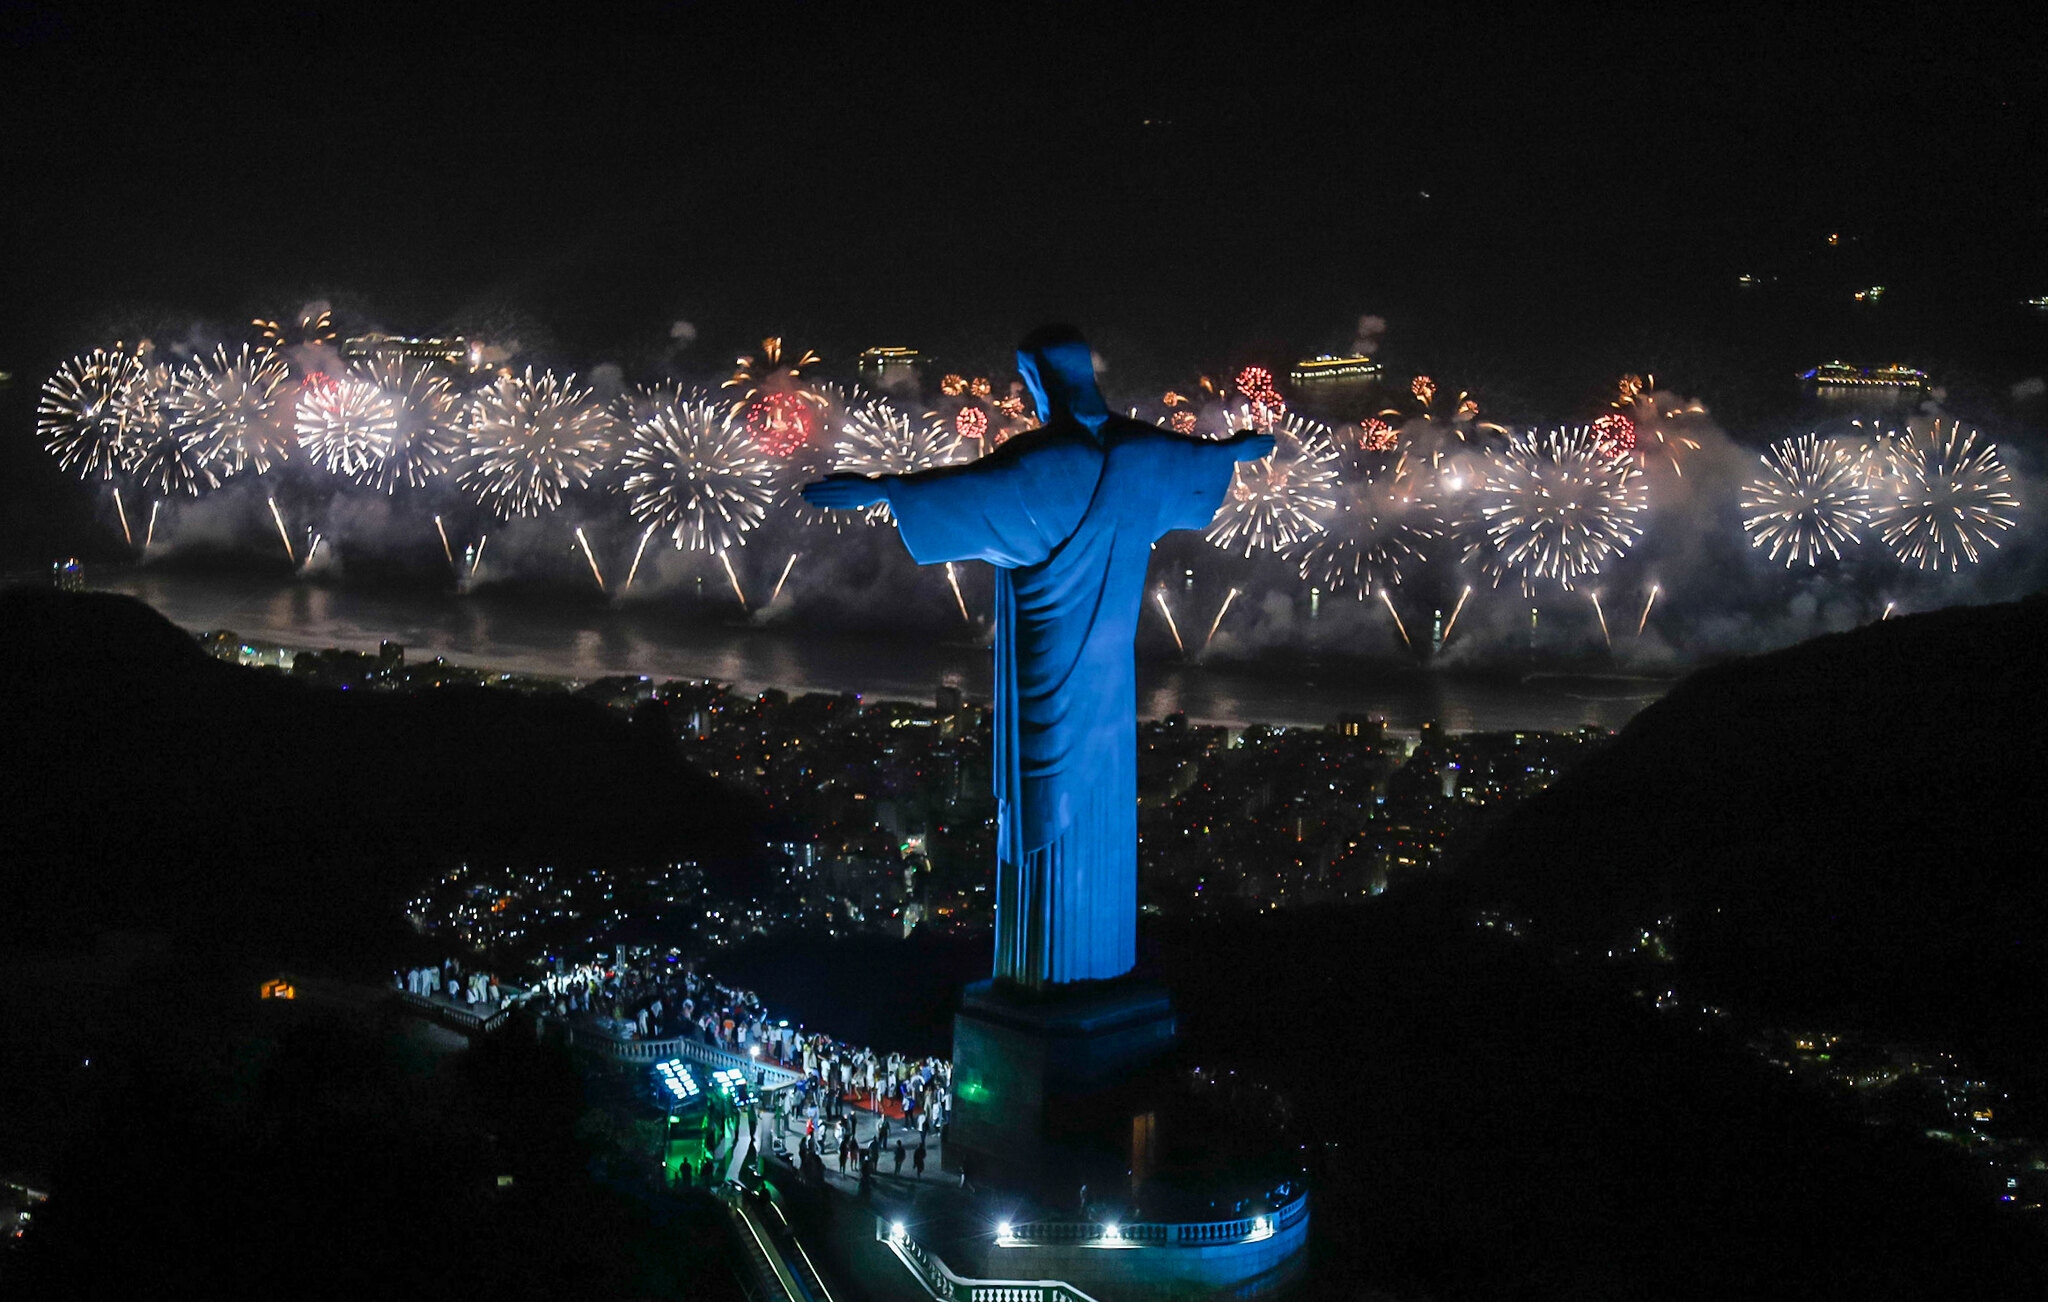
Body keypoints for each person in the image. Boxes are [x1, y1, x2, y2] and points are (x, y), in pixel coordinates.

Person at [803, 325, 1268, 988]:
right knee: (1098, 807)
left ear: (1040, 382)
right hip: (1111, 684)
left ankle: (1044, 984)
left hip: (1046, 664)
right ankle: (1098, 971)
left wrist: (885, 489)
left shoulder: (1050, 465)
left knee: (1044, 805)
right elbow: (1199, 464)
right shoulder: (1142, 453)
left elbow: (968, 493)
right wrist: (1236, 451)